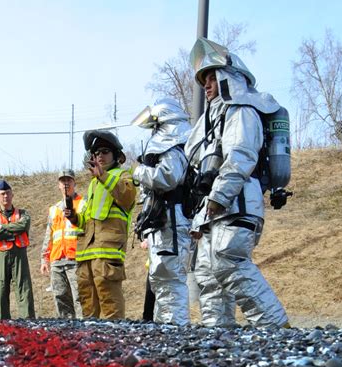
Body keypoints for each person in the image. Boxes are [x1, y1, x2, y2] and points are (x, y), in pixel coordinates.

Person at [185, 38, 289, 328]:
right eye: (203, 80)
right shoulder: (212, 121)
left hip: (237, 202)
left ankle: (276, 330)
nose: (206, 86)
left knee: (230, 264)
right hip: (217, 208)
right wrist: (200, 218)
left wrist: (218, 198)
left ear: (227, 77)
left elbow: (240, 157)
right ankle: (218, 339)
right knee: (208, 276)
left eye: (211, 78)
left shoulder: (241, 110)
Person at [131, 98, 192, 325]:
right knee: (160, 280)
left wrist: (138, 172)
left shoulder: (173, 146)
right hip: (164, 222)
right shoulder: (172, 145)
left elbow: (168, 177)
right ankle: (164, 331)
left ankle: (175, 330)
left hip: (172, 223)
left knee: (170, 280)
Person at [65, 130, 136, 320]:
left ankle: (114, 345)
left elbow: (127, 197)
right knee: (88, 305)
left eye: (104, 151)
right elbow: (87, 219)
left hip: (107, 252)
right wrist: (74, 218)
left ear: (116, 155)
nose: (99, 156)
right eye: (96, 153)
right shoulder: (93, 185)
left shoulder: (123, 176)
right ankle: (91, 346)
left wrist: (103, 176)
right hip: (86, 253)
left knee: (110, 304)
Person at [40, 170, 83, 319]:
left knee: (80, 299)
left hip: (76, 259)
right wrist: (45, 259)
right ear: (58, 185)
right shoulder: (54, 209)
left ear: (74, 183)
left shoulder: (83, 203)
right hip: (57, 261)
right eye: (62, 181)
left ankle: (84, 332)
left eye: (69, 180)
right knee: (60, 299)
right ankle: (67, 333)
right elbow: (49, 236)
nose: (66, 184)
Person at [0, 180, 35, 320]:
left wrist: (3, 229)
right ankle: (3, 323)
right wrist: (13, 231)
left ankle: (28, 322)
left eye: (8, 193)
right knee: (1, 290)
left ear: (12, 195)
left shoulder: (23, 213)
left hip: (19, 255)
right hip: (1, 256)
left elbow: (23, 226)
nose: (5, 196)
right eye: (2, 194)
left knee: (24, 288)